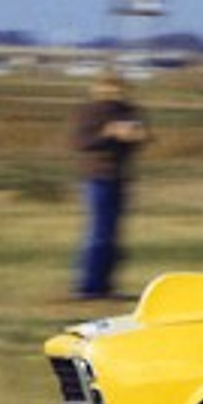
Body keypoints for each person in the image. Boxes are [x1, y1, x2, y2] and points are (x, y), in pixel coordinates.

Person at [71, 69, 149, 299]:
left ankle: (107, 285)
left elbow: (142, 138)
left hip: (121, 176)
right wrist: (108, 133)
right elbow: (80, 142)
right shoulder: (87, 112)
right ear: (96, 88)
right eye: (107, 87)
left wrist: (138, 136)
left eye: (117, 88)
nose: (112, 93)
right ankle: (88, 286)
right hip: (97, 176)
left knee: (114, 234)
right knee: (98, 232)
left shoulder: (130, 112)